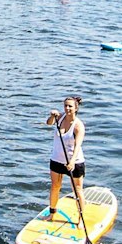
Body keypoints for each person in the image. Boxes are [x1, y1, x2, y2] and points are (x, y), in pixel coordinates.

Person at [44, 95, 87, 224]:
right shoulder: (60, 117)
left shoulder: (79, 126)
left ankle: (80, 219)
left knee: (77, 190)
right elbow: (49, 123)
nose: (67, 108)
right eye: (65, 106)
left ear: (76, 108)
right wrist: (52, 116)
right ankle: (52, 213)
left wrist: (72, 161)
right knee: (55, 186)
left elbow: (78, 146)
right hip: (57, 159)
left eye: (70, 106)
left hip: (74, 161)